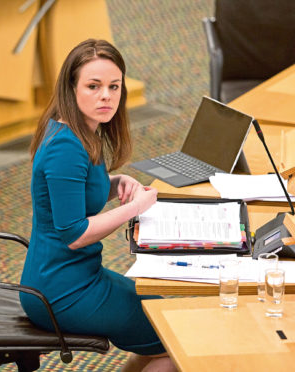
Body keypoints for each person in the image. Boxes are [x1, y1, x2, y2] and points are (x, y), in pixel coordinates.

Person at [19, 39, 177, 372]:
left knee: (163, 317)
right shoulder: (66, 148)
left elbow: (76, 193)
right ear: (71, 88)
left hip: (77, 275)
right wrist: (135, 208)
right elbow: (74, 235)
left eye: (113, 86)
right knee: (177, 341)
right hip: (61, 291)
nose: (106, 95)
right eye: (94, 86)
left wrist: (117, 185)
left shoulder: (81, 131)